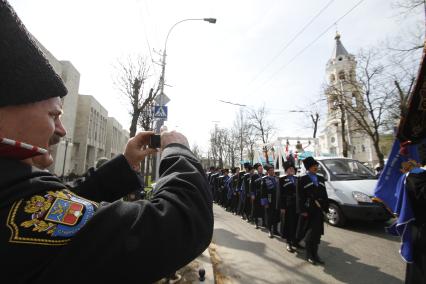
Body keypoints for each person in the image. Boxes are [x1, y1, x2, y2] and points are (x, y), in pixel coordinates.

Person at [0, 1, 213, 283]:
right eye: (53, 115)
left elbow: (66, 204)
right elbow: (177, 224)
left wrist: (125, 164)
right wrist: (178, 151)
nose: (61, 130)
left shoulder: (13, 188)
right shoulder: (19, 204)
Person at [296, 157, 329, 265]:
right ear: (308, 168)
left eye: (316, 165)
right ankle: (309, 255)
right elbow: (300, 197)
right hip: (308, 210)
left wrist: (326, 207)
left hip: (319, 210)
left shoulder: (320, 178)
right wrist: (302, 210)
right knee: (310, 233)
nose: (315, 167)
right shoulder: (302, 179)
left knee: (317, 233)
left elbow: (325, 194)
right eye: (313, 166)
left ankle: (316, 254)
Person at [278, 161, 301, 253]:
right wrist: (282, 207)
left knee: (297, 224)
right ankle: (288, 242)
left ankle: (295, 241)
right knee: (288, 224)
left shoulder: (297, 179)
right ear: (286, 170)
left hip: (297, 205)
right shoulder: (282, 179)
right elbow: (279, 194)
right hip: (287, 206)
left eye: (293, 169)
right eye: (290, 169)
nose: (292, 170)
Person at [261, 164, 280, 238]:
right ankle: (270, 230)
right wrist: (265, 203)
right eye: (271, 170)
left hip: (276, 200)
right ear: (268, 171)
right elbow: (263, 192)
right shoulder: (264, 179)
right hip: (269, 200)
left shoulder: (277, 178)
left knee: (276, 215)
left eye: (273, 170)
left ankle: (275, 230)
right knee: (269, 216)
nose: (272, 171)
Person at [249, 163, 264, 229]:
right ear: (257, 170)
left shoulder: (264, 175)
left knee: (263, 208)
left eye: (262, 168)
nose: (261, 169)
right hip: (256, 195)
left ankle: (264, 222)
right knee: (256, 209)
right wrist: (252, 194)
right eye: (260, 169)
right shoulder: (254, 176)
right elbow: (251, 186)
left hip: (263, 195)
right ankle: (256, 222)